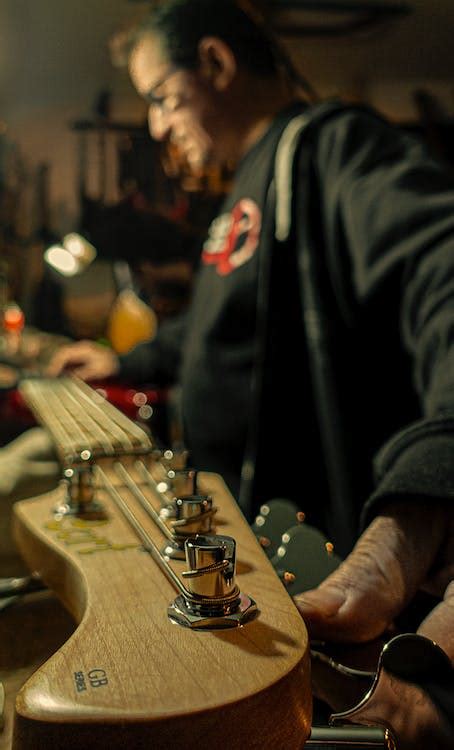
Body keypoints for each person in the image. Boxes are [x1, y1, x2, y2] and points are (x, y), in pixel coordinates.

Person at [38, 0, 454, 744]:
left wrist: (432, 481)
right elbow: (211, 333)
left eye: (163, 98)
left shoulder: (332, 145)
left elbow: (444, 269)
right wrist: (127, 360)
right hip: (234, 546)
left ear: (218, 66)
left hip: (321, 569)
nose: (158, 127)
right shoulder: (242, 193)